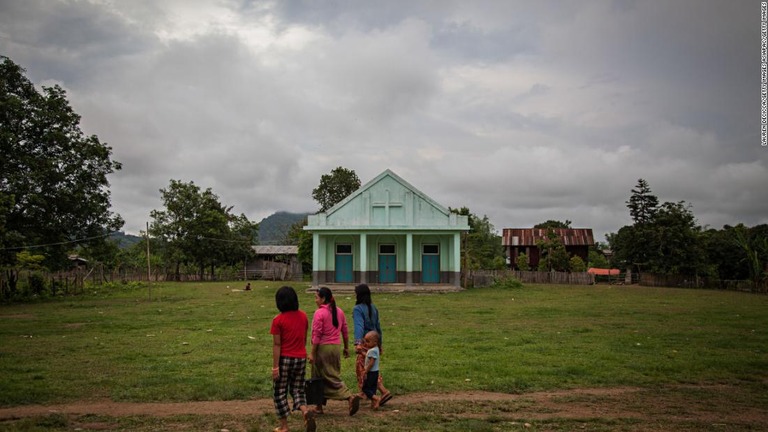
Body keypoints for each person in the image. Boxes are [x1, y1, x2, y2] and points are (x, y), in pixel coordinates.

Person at [270, 286, 316, 432]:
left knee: (280, 392)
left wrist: (275, 367)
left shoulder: (278, 320)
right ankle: (305, 411)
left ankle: (284, 426)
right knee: (298, 390)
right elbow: (303, 338)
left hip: (285, 359)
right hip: (300, 358)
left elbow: (277, 345)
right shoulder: (303, 316)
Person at [309, 286, 361, 416]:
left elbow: (316, 335)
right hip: (335, 348)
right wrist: (346, 348)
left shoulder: (319, 313)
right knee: (329, 374)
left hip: (323, 349)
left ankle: (349, 396)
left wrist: (312, 353)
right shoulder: (339, 311)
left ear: (323, 298)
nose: (315, 300)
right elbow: (345, 331)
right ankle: (319, 406)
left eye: (316, 298)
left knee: (321, 377)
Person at [353, 283, 392, 405]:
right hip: (374, 342)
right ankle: (367, 392)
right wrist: (379, 344)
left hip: (366, 342)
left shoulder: (358, 309)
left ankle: (382, 391)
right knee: (370, 367)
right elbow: (378, 327)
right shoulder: (373, 308)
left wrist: (358, 343)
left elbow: (359, 326)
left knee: (364, 368)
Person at [359, 330, 382, 410]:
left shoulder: (372, 350)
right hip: (375, 372)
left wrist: (366, 370)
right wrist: (362, 353)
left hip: (371, 372)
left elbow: (371, 362)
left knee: (365, 388)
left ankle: (376, 399)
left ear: (375, 342)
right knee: (373, 388)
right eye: (365, 341)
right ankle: (374, 404)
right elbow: (369, 357)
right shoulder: (376, 349)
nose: (366, 343)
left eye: (368, 341)